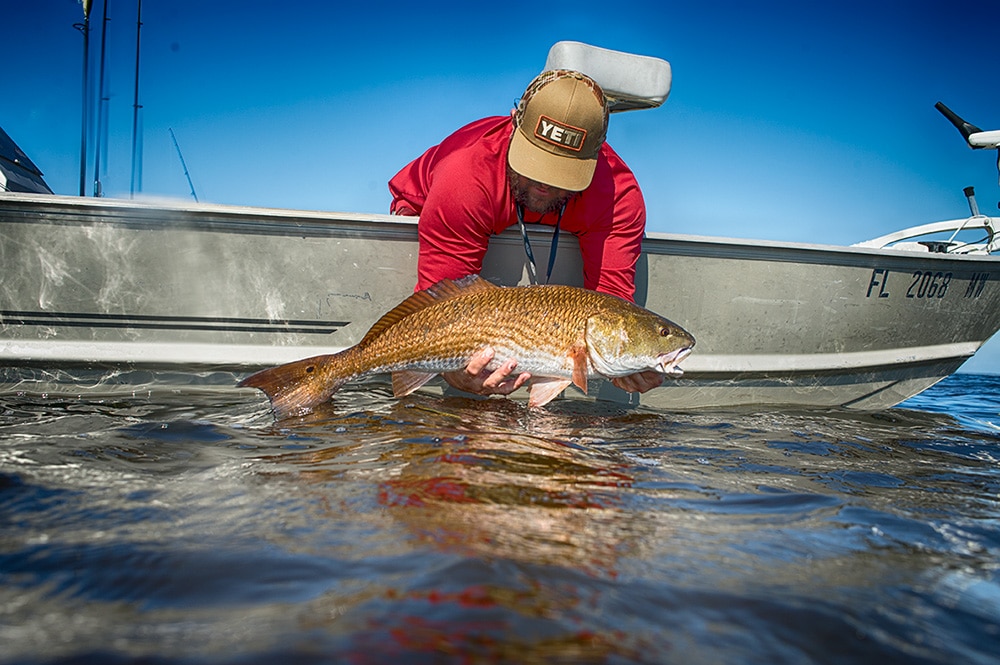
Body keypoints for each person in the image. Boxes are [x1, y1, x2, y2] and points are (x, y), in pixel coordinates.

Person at [388, 69, 662, 398]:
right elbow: (438, 309)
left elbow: (610, 307)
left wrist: (626, 361)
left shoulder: (619, 196)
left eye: (563, 172)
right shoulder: (465, 176)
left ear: (596, 153)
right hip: (434, 205)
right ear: (514, 121)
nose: (543, 183)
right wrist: (452, 370)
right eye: (534, 162)